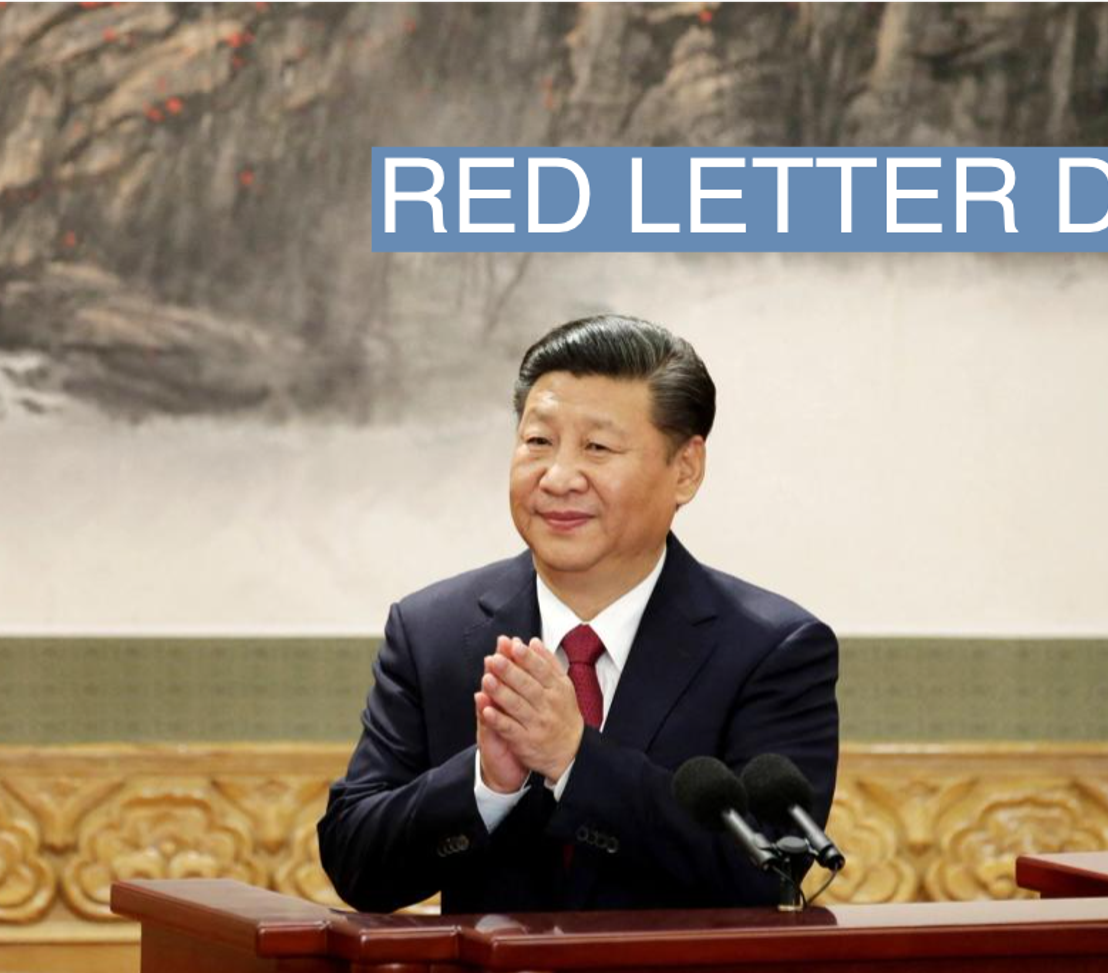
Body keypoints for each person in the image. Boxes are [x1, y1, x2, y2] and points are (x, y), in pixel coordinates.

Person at [318, 314, 839, 914]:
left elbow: (765, 871)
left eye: (597, 447)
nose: (559, 477)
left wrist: (574, 758)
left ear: (686, 469)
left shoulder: (771, 649)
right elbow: (356, 863)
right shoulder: (433, 631)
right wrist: (486, 783)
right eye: (538, 442)